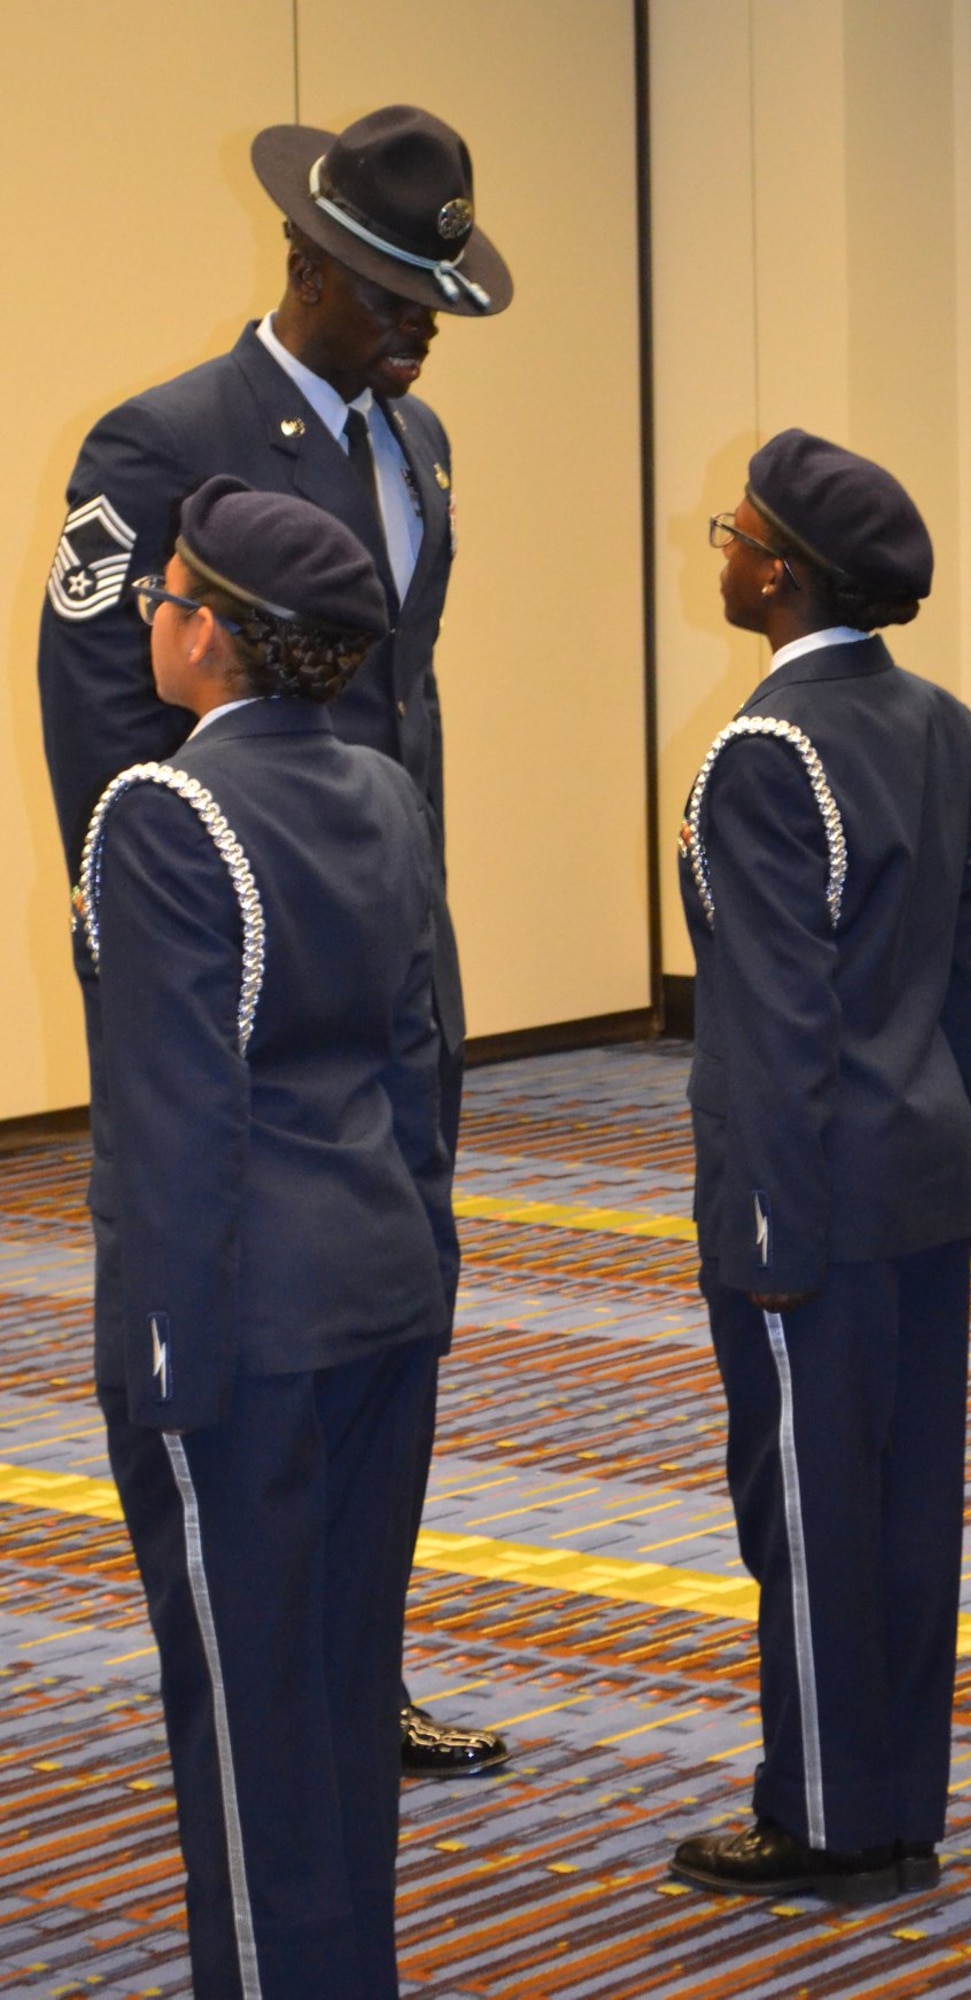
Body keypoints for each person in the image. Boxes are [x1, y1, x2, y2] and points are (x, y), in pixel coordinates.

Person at [39, 103, 514, 1776]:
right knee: (257, 1326)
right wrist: (152, 948)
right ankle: (265, 1671)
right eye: (393, 290)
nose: (419, 326)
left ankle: (353, 1670)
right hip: (225, 973)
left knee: (394, 1308)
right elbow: (99, 715)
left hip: (390, 958)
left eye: (437, 297)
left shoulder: (419, 449)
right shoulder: (164, 439)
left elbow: (404, 703)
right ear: (306, 264)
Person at [81, 475, 458, 1998]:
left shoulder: (163, 811)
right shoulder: (382, 788)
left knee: (244, 1715)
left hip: (235, 1329)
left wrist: (164, 1366)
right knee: (339, 1685)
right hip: (380, 1290)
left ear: (215, 641)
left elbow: (177, 1123)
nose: (150, 612)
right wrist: (420, 1264)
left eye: (166, 593)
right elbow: (420, 1059)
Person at [672, 429, 971, 1903]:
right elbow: (968, 975)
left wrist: (759, 1236)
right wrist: (968, 1160)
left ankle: (820, 1823)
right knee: (903, 1508)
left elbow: (767, 1025)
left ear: (778, 576)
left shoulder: (764, 749)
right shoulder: (934, 720)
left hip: (807, 1196)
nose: (722, 550)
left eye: (729, 533)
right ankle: (899, 1801)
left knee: (806, 1517)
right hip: (923, 1175)